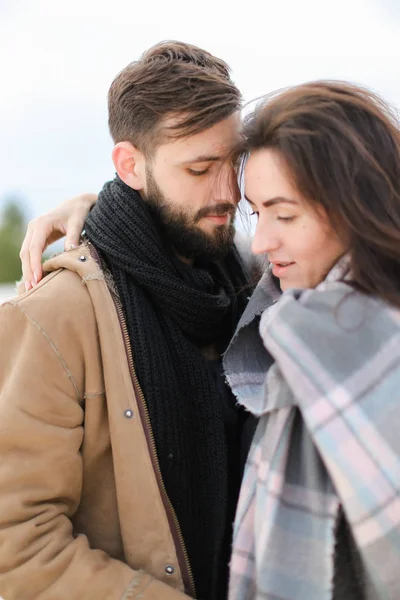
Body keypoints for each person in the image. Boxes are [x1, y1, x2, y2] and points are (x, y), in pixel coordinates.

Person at [0, 40, 258, 600]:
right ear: (130, 165)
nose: (227, 192)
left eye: (234, 162)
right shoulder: (53, 317)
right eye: (199, 168)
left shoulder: (253, 286)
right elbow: (16, 544)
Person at [223, 81, 400, 599]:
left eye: (285, 215)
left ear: (354, 204)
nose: (262, 241)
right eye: (258, 213)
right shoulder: (299, 316)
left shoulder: (369, 344)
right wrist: (111, 212)